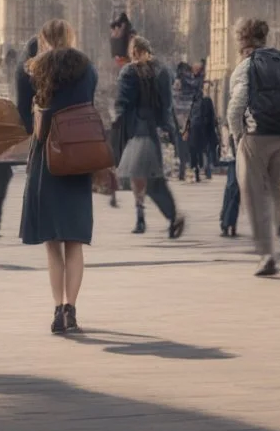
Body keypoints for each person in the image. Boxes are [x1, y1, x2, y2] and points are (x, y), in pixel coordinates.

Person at [20, 33, 97, 334]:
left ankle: (56, 309)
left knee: (53, 243)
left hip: (48, 162)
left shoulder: (39, 70)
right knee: (74, 241)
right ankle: (72, 309)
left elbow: (37, 130)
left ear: (46, 41)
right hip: (78, 158)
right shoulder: (88, 70)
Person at [227, 17, 280, 277]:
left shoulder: (246, 66)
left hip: (256, 135)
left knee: (254, 195)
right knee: (275, 187)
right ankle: (277, 227)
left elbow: (236, 107)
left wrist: (238, 136)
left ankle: (266, 254)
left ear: (241, 39)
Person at [115, 36, 185, 239]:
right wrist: (168, 129)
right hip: (151, 130)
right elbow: (167, 105)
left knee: (144, 177)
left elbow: (123, 102)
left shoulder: (129, 72)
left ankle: (158, 216)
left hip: (138, 130)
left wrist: (117, 123)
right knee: (148, 177)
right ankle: (155, 217)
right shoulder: (162, 71)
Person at [185, 81, 220, 181]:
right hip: (205, 130)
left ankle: (197, 171)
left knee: (195, 152)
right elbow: (212, 116)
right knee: (206, 151)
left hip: (194, 131)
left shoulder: (192, 103)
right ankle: (207, 171)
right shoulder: (207, 101)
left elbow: (188, 118)